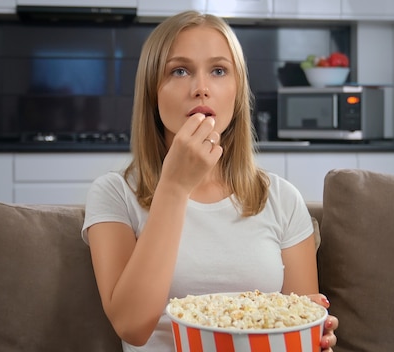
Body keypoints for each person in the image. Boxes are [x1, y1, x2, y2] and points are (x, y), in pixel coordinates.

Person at [81, 10, 338, 352]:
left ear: (236, 90)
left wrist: (314, 335)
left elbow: (300, 327)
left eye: (218, 71)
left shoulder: (281, 199)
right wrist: (173, 187)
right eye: (179, 70)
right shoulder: (114, 194)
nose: (201, 88)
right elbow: (131, 326)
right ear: (152, 92)